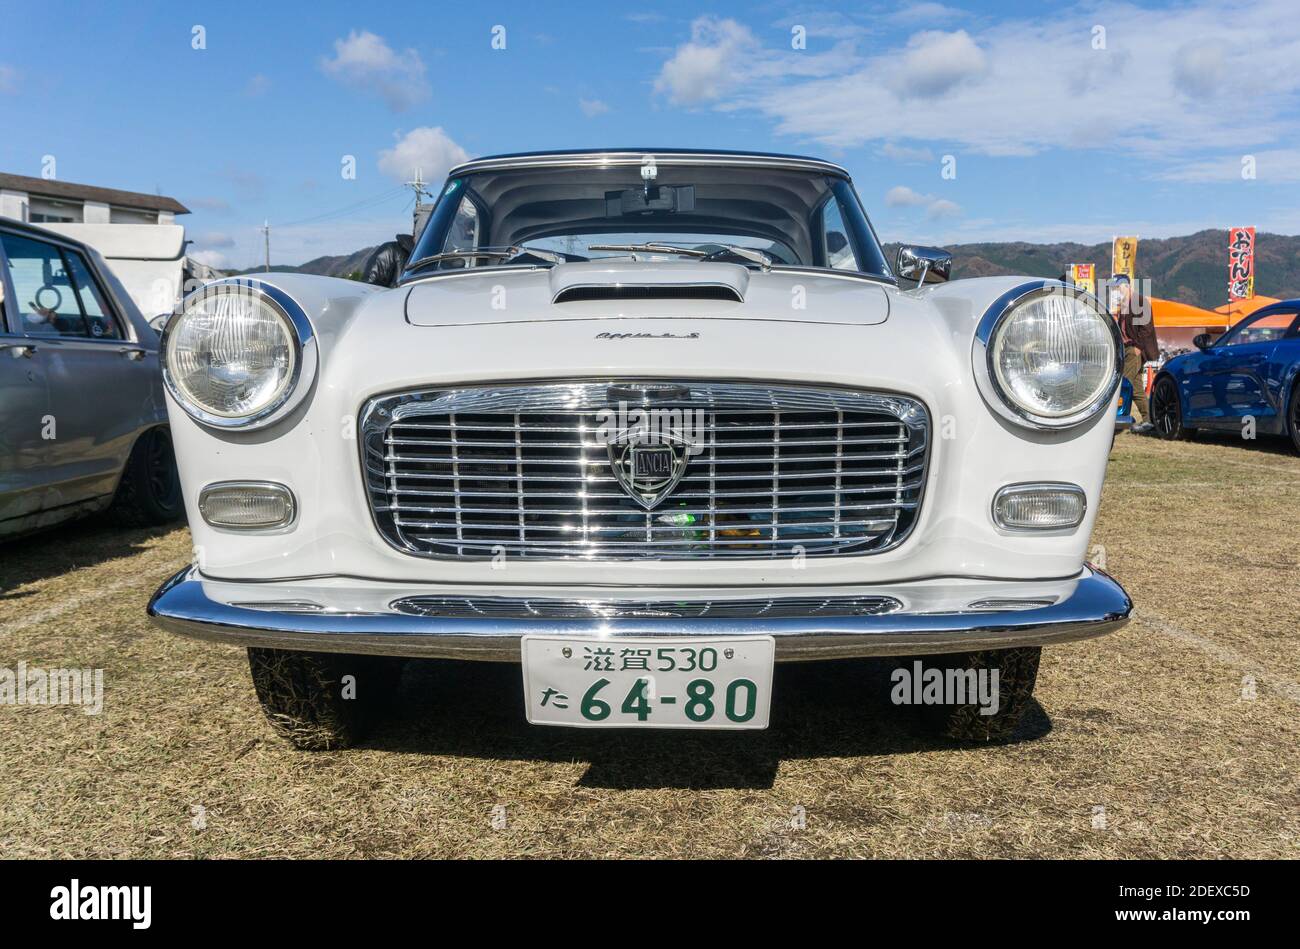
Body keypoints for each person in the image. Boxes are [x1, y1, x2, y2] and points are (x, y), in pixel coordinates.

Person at [1110, 275, 1159, 433]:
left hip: (1135, 349)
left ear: (1125, 286)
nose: (1115, 291)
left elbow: (1146, 328)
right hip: (1127, 349)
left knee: (1122, 384)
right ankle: (1149, 421)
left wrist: (1138, 347)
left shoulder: (1139, 302)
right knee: (1136, 387)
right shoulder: (1124, 305)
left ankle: (1116, 419)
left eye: (1117, 288)